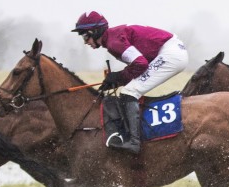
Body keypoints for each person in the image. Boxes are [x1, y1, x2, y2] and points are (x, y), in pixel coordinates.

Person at [71, 11, 188, 155]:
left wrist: (118, 77)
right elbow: (138, 65)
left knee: (129, 92)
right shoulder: (112, 38)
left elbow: (140, 64)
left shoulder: (113, 42)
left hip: (171, 54)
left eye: (85, 36)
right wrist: (117, 79)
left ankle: (134, 142)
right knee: (128, 89)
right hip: (171, 50)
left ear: (94, 32)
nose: (85, 42)